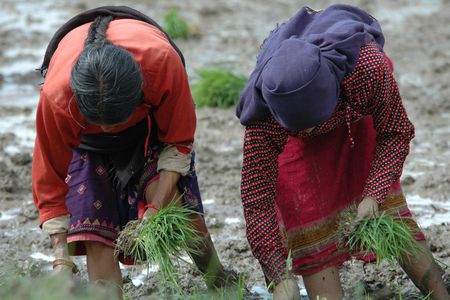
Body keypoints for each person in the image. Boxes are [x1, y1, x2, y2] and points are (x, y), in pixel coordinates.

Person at [236, 4, 449, 300]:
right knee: (308, 218)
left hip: (352, 120)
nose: (311, 133)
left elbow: (396, 131)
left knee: (389, 210)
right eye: (304, 129)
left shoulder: (367, 70)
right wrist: (280, 279)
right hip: (296, 150)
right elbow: (257, 201)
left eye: (314, 125)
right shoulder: (264, 115)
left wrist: (373, 195)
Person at [32, 6, 234, 298]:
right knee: (94, 233)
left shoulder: (161, 63)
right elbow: (49, 178)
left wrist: (153, 211)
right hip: (87, 143)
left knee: (174, 205)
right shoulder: (56, 97)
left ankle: (218, 280)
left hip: (147, 128)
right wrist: (61, 256)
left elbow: (178, 141)